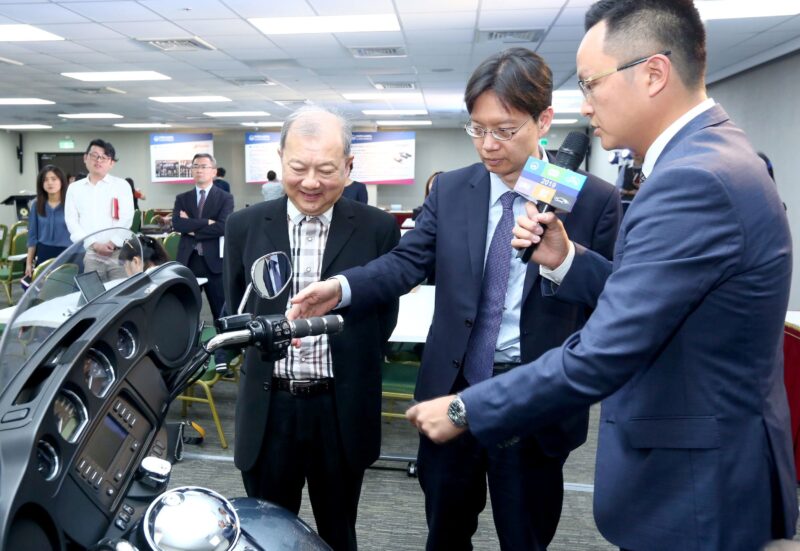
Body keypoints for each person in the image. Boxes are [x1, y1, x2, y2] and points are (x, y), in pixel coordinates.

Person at [406, 2, 798, 550]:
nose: (586, 104)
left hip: (697, 483)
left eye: (591, 83)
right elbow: (652, 299)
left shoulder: (693, 180)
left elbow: (607, 347)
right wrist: (568, 259)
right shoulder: (709, 157)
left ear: (653, 74)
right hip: (707, 465)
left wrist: (465, 407)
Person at [288, 48, 621, 551]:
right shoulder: (452, 189)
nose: (488, 145)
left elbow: (614, 298)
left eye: (504, 130)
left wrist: (565, 259)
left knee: (525, 536)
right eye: (477, 129)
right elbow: (406, 262)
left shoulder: (591, 198)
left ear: (544, 120)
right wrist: (341, 288)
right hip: (453, 390)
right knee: (444, 532)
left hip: (534, 393)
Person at [224, 106, 399, 551]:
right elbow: (237, 303)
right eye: (298, 167)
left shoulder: (378, 229)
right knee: (264, 535)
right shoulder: (244, 225)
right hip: (269, 408)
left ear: (348, 166)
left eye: (326, 169)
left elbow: (384, 319)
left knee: (337, 532)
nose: (311, 182)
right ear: (281, 159)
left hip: (339, 409)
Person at [172, 153, 233, 325]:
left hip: (214, 264)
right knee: (186, 312)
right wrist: (206, 222)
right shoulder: (182, 198)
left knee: (221, 313)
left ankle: (223, 342)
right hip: (188, 261)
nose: (199, 170)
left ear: (214, 171)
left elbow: (222, 226)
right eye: (195, 166)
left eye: (204, 166)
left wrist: (192, 229)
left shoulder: (225, 198)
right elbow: (178, 224)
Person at [65, 139, 134, 281]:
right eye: (94, 155)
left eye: (104, 157)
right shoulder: (74, 188)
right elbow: (71, 220)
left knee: (121, 291)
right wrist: (94, 244)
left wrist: (113, 242)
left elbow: (127, 217)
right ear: (85, 158)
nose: (98, 160)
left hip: (118, 252)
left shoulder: (121, 185)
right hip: (92, 253)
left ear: (111, 163)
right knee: (93, 292)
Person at [25, 165, 72, 278]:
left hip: (69, 253)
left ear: (62, 181)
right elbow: (32, 237)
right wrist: (28, 263)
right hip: (44, 253)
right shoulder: (37, 205)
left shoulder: (71, 203)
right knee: (44, 287)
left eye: (54, 179)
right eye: (45, 180)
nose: (50, 183)